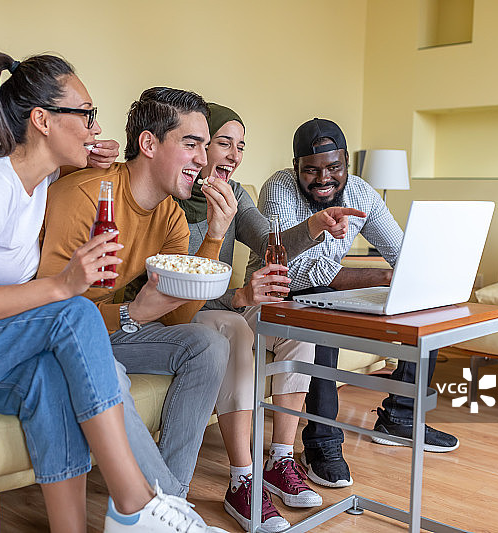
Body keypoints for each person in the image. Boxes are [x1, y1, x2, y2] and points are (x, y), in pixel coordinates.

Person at [0, 53, 226, 533]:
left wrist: (76, 166)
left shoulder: (36, 184)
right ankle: (133, 504)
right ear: (42, 120)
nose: (97, 128)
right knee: (72, 311)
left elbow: (60, 183)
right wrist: (62, 285)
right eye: (86, 114)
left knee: (50, 377)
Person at [38, 87, 236, 501]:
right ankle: (167, 509)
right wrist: (131, 314)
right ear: (148, 143)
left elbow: (178, 320)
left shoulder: (171, 217)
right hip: (57, 334)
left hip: (104, 326)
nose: (203, 158)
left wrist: (215, 236)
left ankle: (170, 501)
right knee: (114, 372)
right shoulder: (87, 195)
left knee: (207, 344)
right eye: (191, 144)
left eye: (204, 145)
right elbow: (49, 309)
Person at [174, 104, 364, 532]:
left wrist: (314, 225)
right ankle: (242, 480)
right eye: (224, 143)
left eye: (240, 146)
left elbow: (270, 241)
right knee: (236, 329)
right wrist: (239, 295)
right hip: (192, 314)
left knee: (298, 322)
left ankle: (279, 459)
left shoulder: (234, 193)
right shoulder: (175, 195)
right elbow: (179, 286)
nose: (234, 155)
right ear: (197, 145)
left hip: (229, 303)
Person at [248, 117, 460, 488]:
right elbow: (291, 270)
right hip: (280, 297)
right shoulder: (278, 189)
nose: (323, 178)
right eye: (310, 170)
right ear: (295, 166)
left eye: (334, 167)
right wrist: (380, 277)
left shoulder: (362, 193)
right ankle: (321, 445)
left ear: (347, 162)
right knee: (319, 311)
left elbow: (399, 250)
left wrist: (424, 278)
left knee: (427, 307)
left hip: (328, 291)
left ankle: (401, 417)